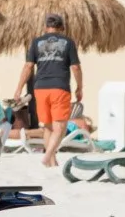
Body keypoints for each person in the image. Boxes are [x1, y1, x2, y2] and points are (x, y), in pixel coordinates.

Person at [13, 13, 82, 168]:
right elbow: (76, 67)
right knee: (60, 127)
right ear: (62, 27)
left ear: (46, 27)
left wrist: (18, 89)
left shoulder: (36, 42)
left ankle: (52, 163)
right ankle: (48, 155)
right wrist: (79, 87)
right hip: (59, 88)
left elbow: (28, 66)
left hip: (40, 89)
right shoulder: (68, 42)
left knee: (48, 127)